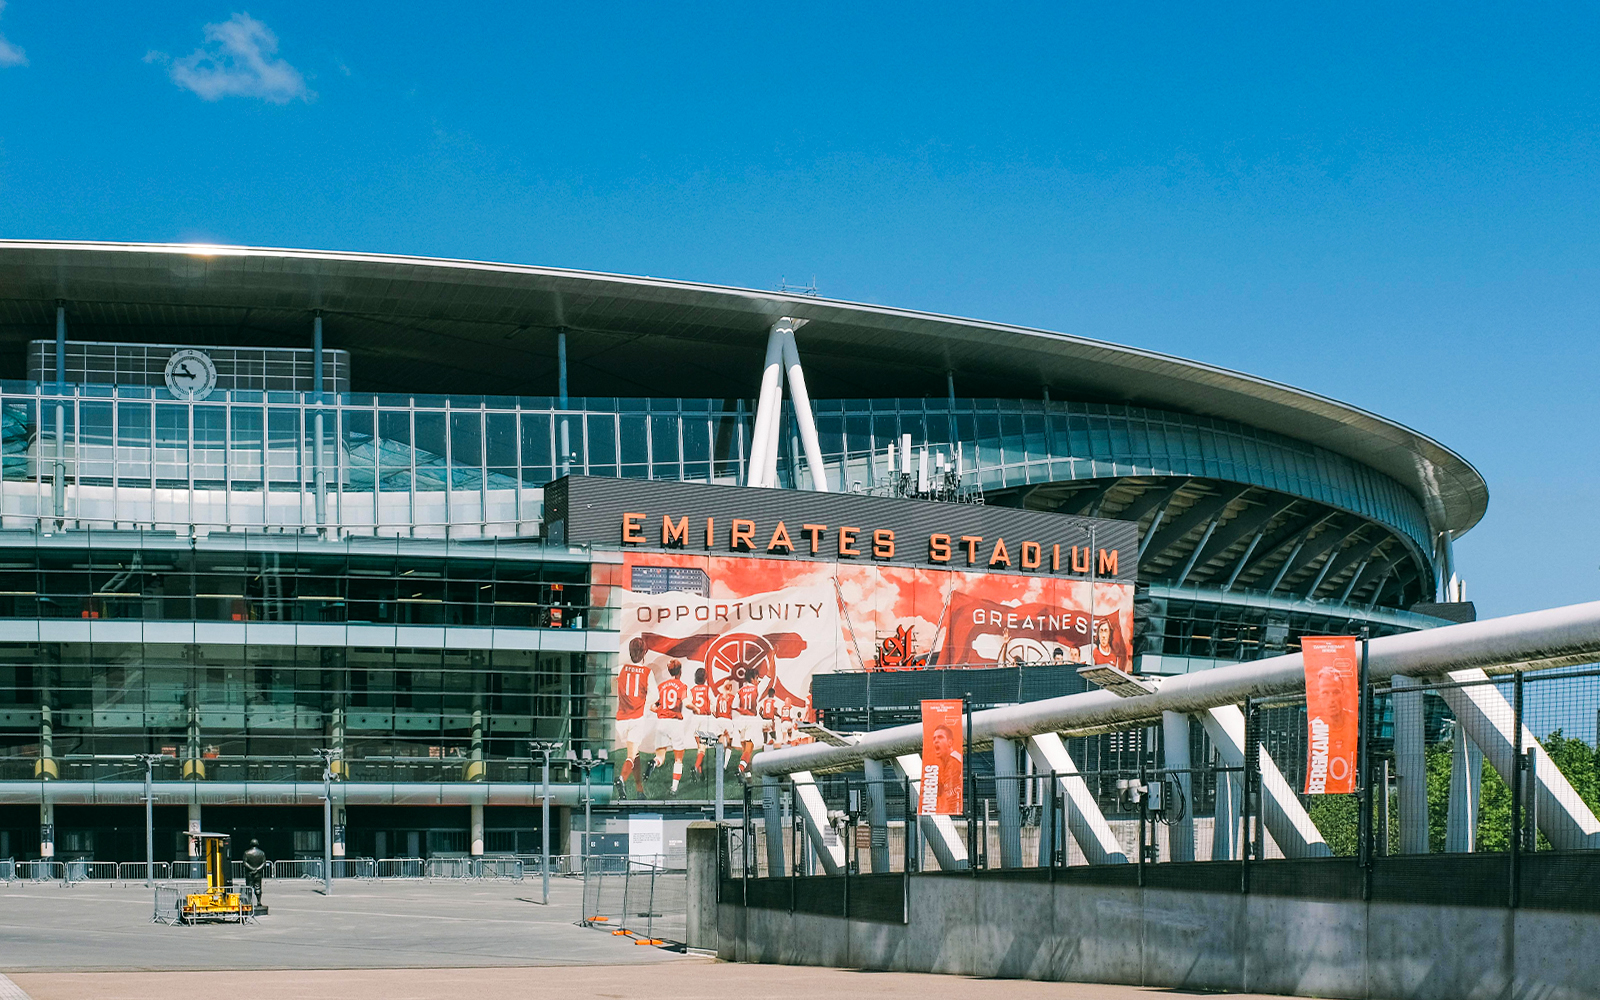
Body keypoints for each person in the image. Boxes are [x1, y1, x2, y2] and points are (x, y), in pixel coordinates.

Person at [649, 660, 693, 793]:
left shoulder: (662, 686)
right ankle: (674, 788)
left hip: (662, 722)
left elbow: (652, 706)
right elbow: (686, 703)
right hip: (675, 723)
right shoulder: (681, 686)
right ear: (680, 670)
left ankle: (654, 763)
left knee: (660, 756)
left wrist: (662, 711)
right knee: (678, 758)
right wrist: (695, 708)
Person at [614, 656, 653, 797]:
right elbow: (654, 696)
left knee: (635, 754)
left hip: (621, 719)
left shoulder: (620, 668)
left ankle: (639, 790)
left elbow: (606, 682)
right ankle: (621, 779)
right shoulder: (647, 672)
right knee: (631, 755)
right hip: (636, 718)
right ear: (643, 654)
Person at [927, 724, 964, 814]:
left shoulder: (953, 762)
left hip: (953, 812)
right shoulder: (944, 763)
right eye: (934, 738)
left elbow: (952, 797)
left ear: (950, 742)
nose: (936, 741)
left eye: (940, 737)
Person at [687, 666, 714, 774]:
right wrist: (711, 710)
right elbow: (713, 702)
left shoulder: (692, 690)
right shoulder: (707, 689)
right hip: (704, 718)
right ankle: (696, 767)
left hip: (695, 719)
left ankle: (700, 771)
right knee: (702, 747)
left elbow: (688, 703)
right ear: (705, 678)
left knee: (699, 747)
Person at [242, 838, 268, 909]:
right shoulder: (261, 853)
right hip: (258, 873)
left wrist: (252, 869)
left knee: (249, 887)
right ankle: (259, 901)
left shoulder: (247, 853)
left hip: (249, 873)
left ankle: (249, 902)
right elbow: (263, 863)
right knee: (258, 887)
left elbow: (245, 863)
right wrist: (257, 869)